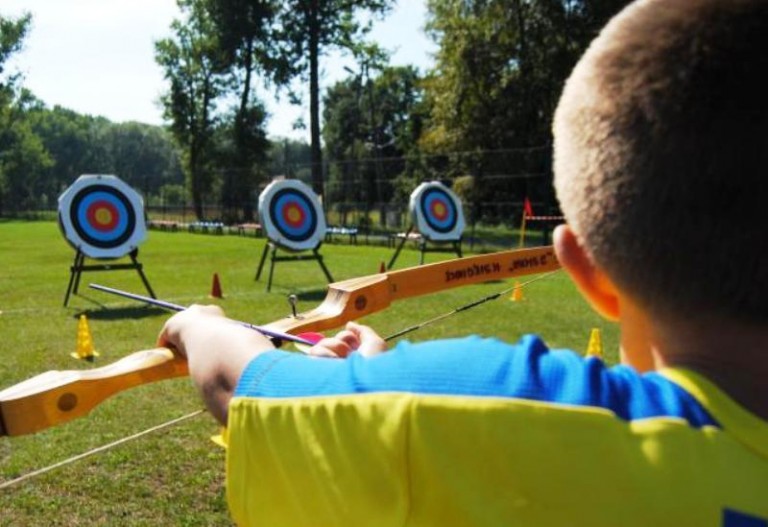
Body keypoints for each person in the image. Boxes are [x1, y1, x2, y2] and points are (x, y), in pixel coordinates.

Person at [159, 0, 768, 524]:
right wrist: (383, 375)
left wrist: (202, 324)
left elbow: (249, 390)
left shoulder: (519, 413)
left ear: (590, 272)